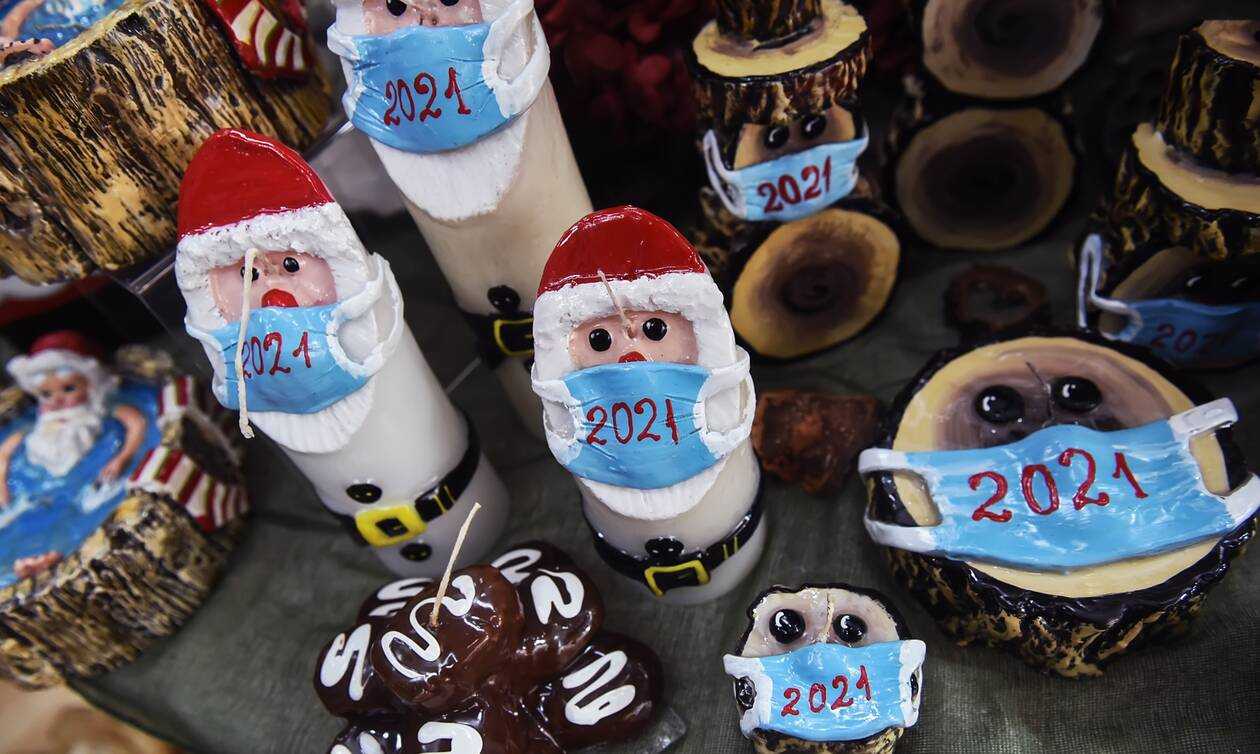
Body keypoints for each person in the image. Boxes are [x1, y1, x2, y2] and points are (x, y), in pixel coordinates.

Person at [0, 331, 146, 508]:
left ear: (92, 387)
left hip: (93, 485)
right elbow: (4, 452)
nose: (57, 400)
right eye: (46, 394)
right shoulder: (38, 426)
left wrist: (123, 457)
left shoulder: (100, 413)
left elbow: (136, 423)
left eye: (68, 389)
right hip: (41, 493)